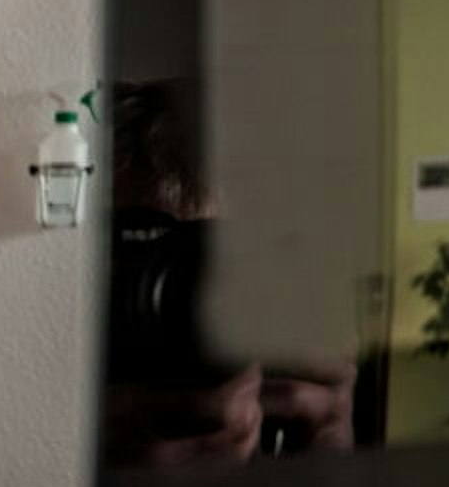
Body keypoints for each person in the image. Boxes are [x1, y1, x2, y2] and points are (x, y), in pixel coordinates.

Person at [102, 80, 356, 465]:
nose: (194, 313)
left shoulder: (282, 384)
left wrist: (324, 460)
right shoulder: (45, 391)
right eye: (155, 267)